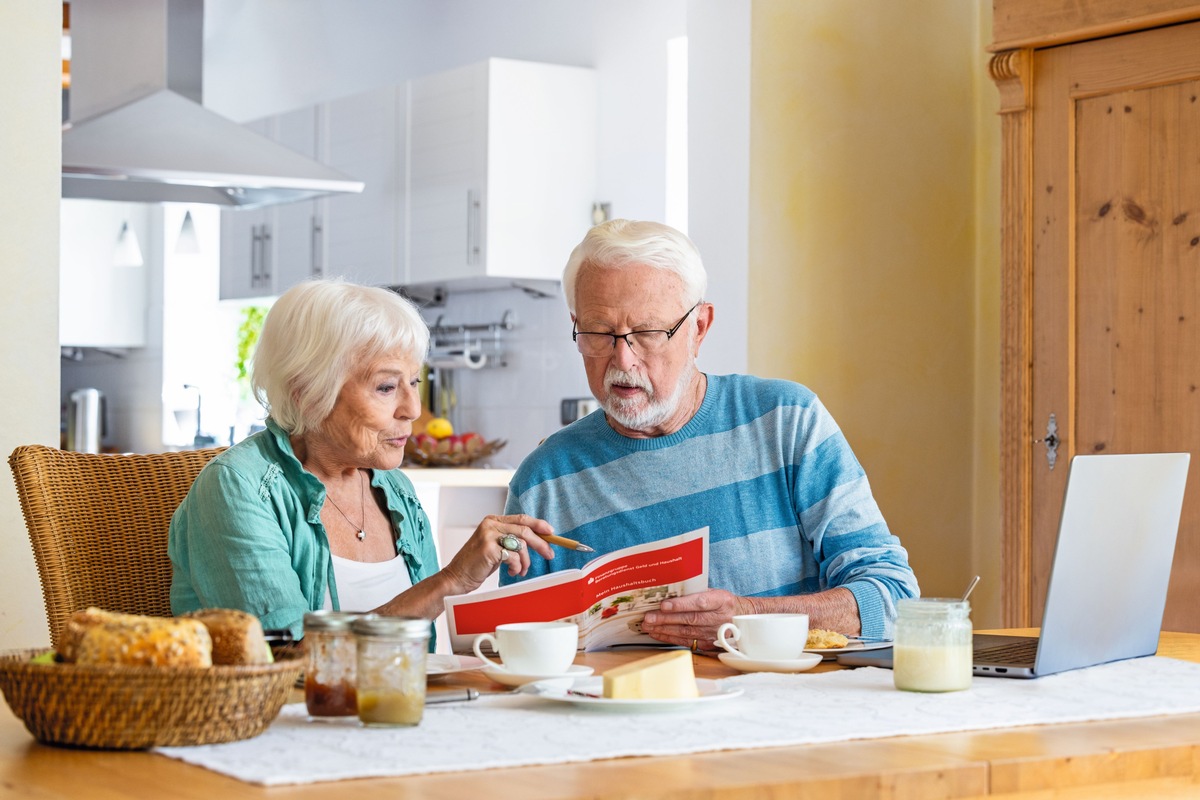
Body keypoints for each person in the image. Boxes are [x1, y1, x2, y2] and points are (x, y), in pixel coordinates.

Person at [502, 219, 919, 651]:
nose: (622, 359)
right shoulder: (544, 480)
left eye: (647, 333)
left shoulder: (786, 422)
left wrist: (750, 617)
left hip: (786, 711)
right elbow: (521, 658)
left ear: (700, 327)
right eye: (599, 334)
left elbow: (894, 599)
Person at [168, 279, 554, 641]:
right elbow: (286, 661)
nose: (413, 409)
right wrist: (450, 581)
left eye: (414, 382)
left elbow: (421, 656)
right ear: (307, 392)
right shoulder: (239, 488)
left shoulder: (394, 489)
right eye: (386, 387)